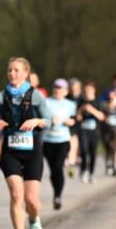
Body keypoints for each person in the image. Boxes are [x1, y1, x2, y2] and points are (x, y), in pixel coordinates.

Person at [0, 57, 52, 229]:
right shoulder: (0, 98)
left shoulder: (36, 96)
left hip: (32, 150)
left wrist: (36, 121)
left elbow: (49, 120)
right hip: (10, 151)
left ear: (26, 73)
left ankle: (34, 221)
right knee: (17, 195)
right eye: (9, 70)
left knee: (31, 200)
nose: (12, 74)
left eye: (16, 70)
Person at [42, 78, 76, 210]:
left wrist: (68, 121)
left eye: (61, 88)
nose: (58, 90)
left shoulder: (70, 104)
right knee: (53, 170)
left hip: (63, 140)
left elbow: (74, 121)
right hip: (48, 140)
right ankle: (56, 192)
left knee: (58, 167)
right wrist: (50, 120)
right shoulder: (46, 102)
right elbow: (40, 119)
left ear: (66, 91)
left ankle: (58, 195)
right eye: (56, 87)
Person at [75, 81, 105, 183]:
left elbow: (102, 117)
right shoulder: (80, 102)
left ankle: (91, 173)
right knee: (83, 151)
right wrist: (81, 110)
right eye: (86, 90)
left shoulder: (98, 102)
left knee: (92, 153)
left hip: (94, 131)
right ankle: (84, 171)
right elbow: (77, 118)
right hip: (83, 130)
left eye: (90, 90)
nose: (88, 92)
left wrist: (91, 110)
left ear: (94, 90)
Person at [67, 78, 83, 176]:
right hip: (71, 124)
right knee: (72, 144)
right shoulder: (67, 97)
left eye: (76, 87)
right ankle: (71, 164)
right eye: (73, 87)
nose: (74, 89)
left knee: (80, 147)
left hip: (81, 125)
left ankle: (78, 160)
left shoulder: (82, 98)